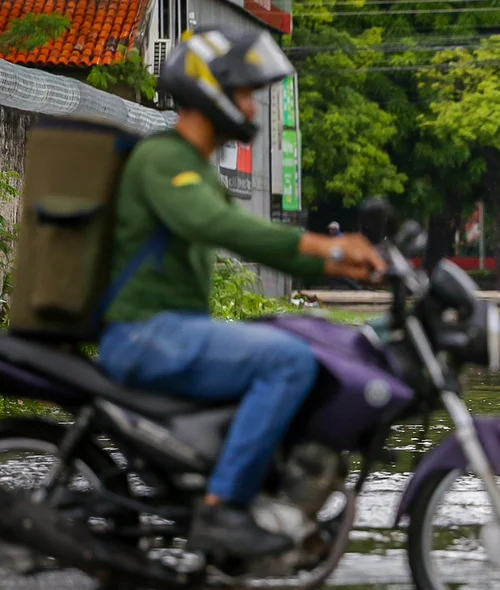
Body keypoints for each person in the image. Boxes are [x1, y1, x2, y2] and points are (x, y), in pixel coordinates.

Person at [95, 27, 385, 559]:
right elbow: (221, 227)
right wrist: (330, 248)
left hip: (175, 331)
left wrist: (344, 262)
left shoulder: (194, 166)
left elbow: (263, 245)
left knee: (297, 342)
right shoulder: (164, 160)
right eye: (244, 93)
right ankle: (222, 509)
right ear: (211, 92)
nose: (252, 105)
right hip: (144, 333)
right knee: (289, 363)